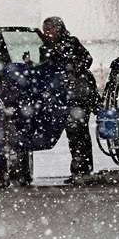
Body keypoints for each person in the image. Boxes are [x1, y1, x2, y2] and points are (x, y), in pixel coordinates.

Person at [39, 16, 101, 184]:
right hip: (63, 98)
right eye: (45, 30)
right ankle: (78, 170)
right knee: (73, 134)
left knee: (80, 133)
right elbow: (45, 69)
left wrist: (74, 71)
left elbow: (87, 59)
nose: (47, 33)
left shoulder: (71, 43)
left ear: (59, 29)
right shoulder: (45, 48)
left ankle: (83, 170)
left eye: (49, 30)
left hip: (79, 96)